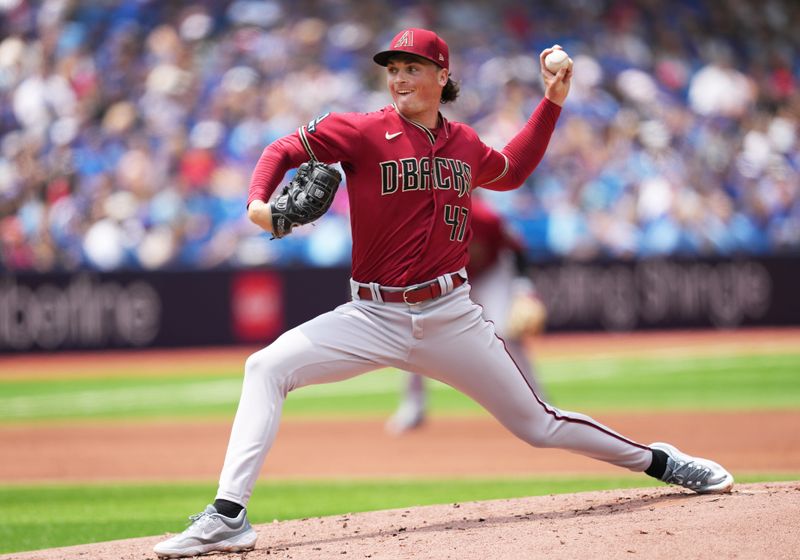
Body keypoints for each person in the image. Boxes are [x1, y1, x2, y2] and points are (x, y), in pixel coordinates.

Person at [154, 28, 734, 558]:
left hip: (451, 314)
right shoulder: (361, 129)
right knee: (265, 367)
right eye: (393, 69)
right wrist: (258, 204)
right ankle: (229, 515)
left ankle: (662, 461)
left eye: (412, 68)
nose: (400, 78)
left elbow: (511, 170)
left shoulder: (463, 143)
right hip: (371, 314)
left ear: (440, 76)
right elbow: (282, 149)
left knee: (539, 424)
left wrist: (552, 103)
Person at [385, 196, 548, 434]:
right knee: (416, 332)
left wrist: (524, 288)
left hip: (489, 274)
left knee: (505, 332)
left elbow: (516, 248)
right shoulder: (420, 219)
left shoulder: (485, 216)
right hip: (446, 279)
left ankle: (537, 402)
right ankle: (414, 405)